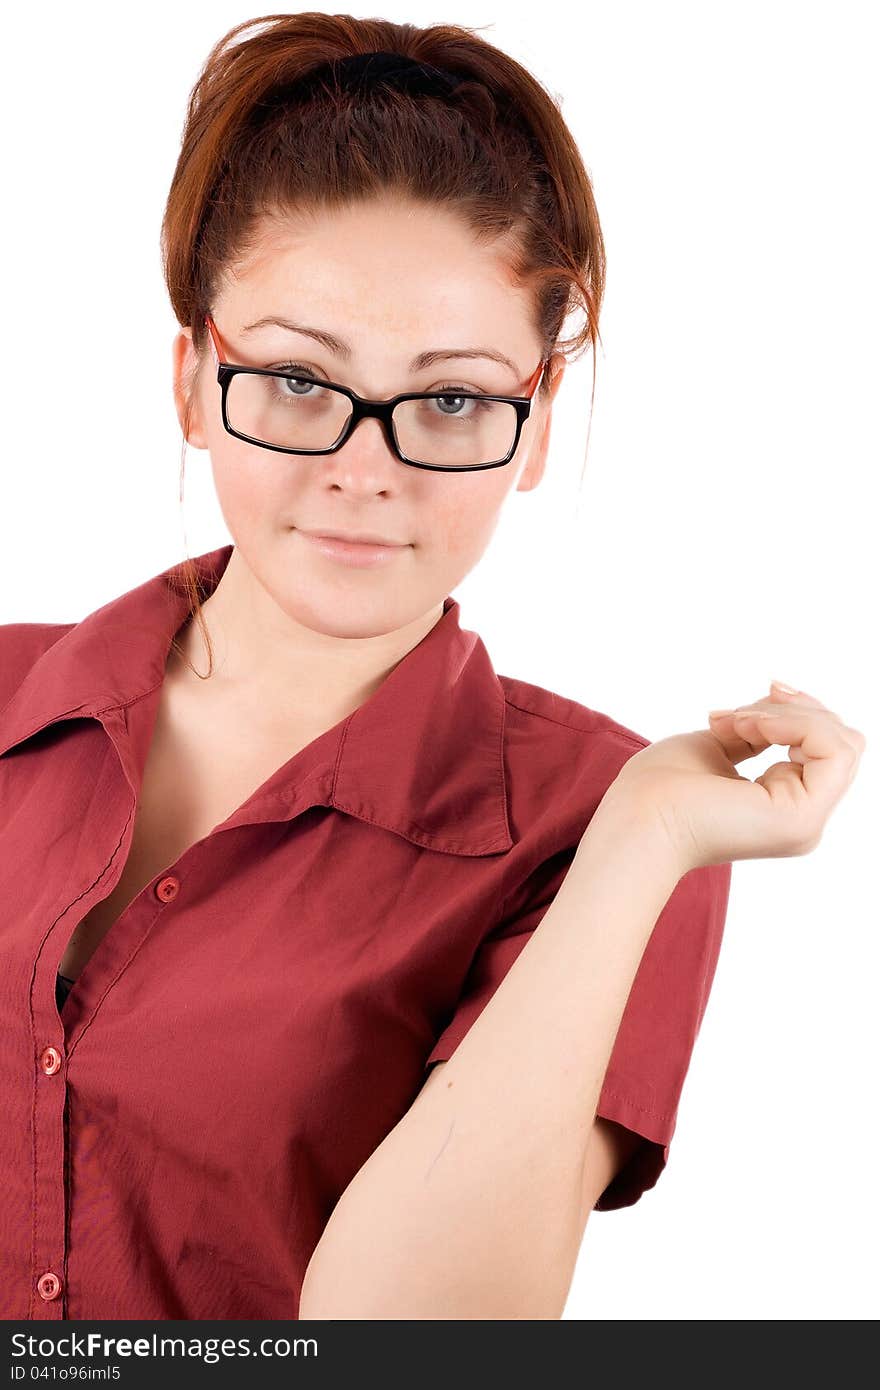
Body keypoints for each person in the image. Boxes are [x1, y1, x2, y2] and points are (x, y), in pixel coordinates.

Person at [0, 15, 864, 1323]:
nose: (366, 468)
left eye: (451, 400)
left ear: (532, 426)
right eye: (296, 377)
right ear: (193, 383)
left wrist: (647, 833)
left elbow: (411, 1342)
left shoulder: (602, 834)